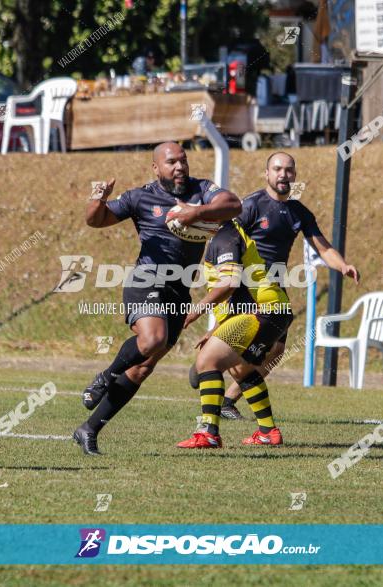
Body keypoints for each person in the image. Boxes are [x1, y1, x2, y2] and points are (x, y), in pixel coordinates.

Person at [73, 142, 241, 455]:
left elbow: (233, 205)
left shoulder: (202, 190)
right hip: (145, 280)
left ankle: (89, 429)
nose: (179, 167)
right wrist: (99, 197)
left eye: (183, 161)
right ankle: (105, 377)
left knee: (142, 367)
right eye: (171, 162)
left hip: (178, 290)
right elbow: (96, 220)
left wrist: (198, 212)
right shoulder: (141, 196)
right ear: (156, 168)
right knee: (152, 339)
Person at [210, 152, 359, 419]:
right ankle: (210, 375)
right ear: (266, 173)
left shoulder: (298, 212)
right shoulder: (252, 205)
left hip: (275, 290)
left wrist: (343, 265)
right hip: (249, 288)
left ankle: (226, 400)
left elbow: (322, 248)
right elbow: (227, 238)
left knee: (276, 352)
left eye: (288, 170)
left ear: (294, 175)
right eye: (277, 169)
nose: (283, 174)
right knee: (246, 349)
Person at [177, 219, 293, 448]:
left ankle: (208, 433)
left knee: (207, 361)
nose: (184, 226)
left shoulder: (224, 237)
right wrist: (216, 329)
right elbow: (238, 294)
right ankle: (268, 432)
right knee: (241, 369)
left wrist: (196, 311)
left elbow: (229, 284)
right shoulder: (227, 234)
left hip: (262, 311)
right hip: (271, 310)